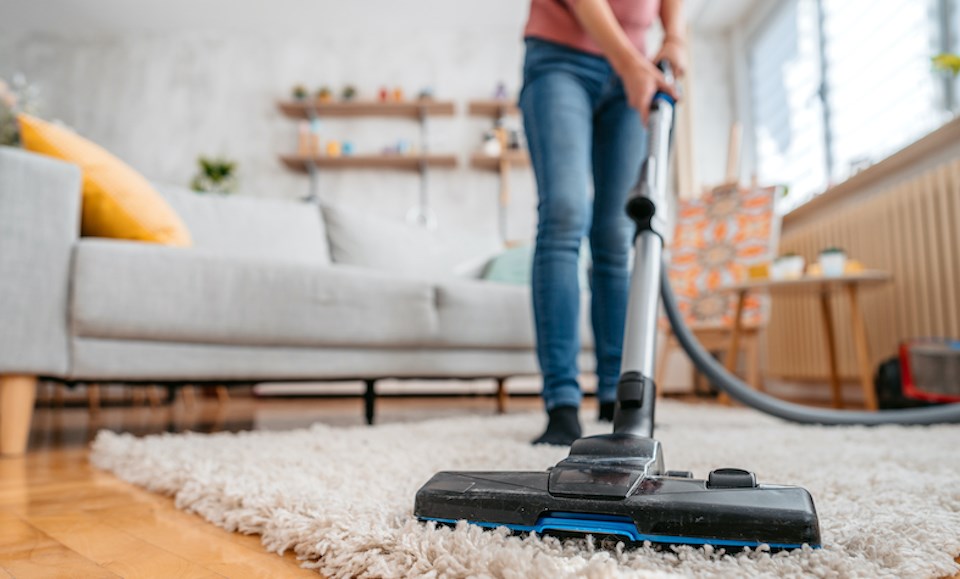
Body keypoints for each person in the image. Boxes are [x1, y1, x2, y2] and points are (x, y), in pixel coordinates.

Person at [521, 0, 684, 445]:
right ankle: (562, 405)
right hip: (561, 59)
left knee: (616, 233)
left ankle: (618, 398)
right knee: (565, 215)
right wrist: (631, 62)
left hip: (637, 66)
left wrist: (674, 36)